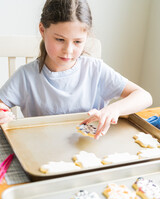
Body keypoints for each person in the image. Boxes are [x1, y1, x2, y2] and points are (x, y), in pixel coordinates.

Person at [0, 0, 152, 139]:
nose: (68, 50)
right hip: (40, 152)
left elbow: (144, 96)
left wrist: (114, 110)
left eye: (78, 41)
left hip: (89, 152)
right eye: (60, 40)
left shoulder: (95, 70)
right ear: (42, 30)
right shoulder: (26, 76)